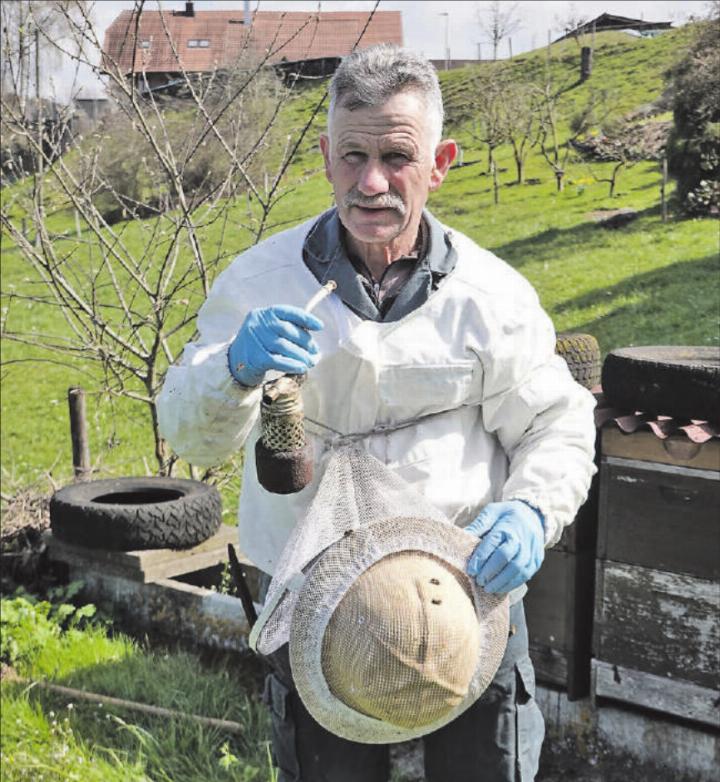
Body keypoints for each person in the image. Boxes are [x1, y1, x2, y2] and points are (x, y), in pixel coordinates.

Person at [158, 44, 596, 782]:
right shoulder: (260, 281)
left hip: (466, 595)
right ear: (326, 157)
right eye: (353, 156)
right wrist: (231, 368)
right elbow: (190, 436)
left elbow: (557, 423)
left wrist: (531, 510)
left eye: (397, 157)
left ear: (440, 162)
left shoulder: (492, 296)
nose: (371, 182)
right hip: (312, 602)